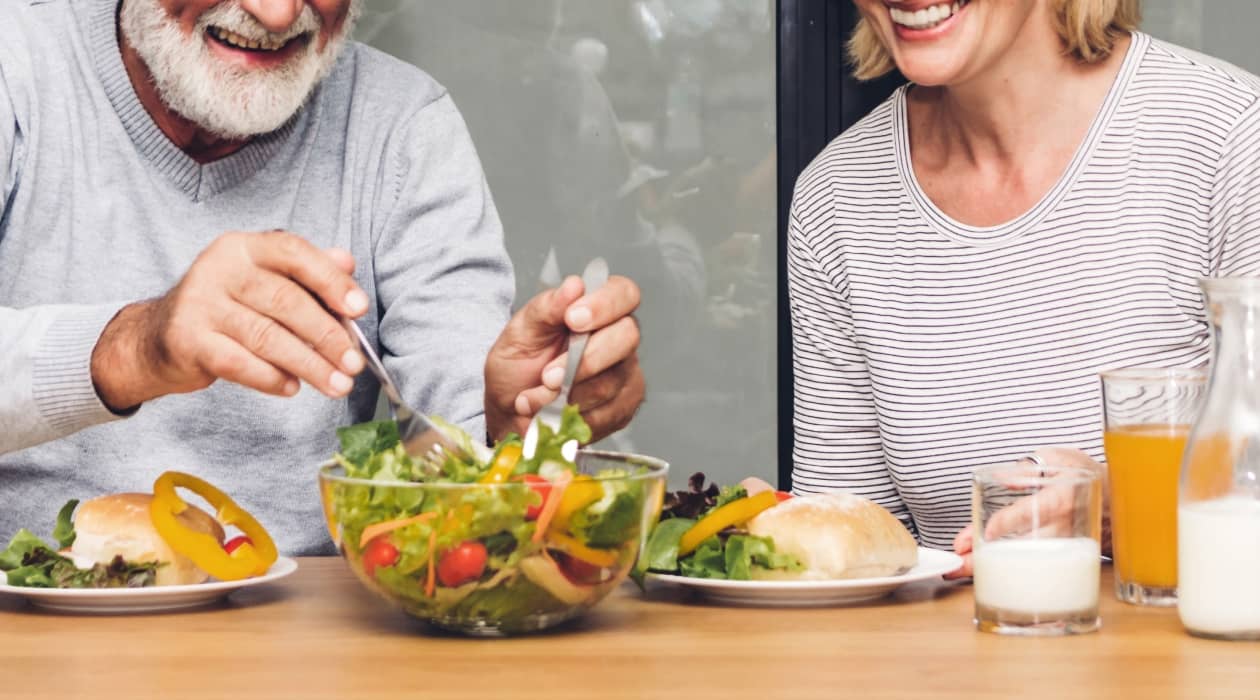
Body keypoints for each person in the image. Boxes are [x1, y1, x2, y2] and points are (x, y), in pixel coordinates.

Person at [0, 0, 645, 554]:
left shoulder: (404, 129)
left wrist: (510, 424)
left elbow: (458, 478)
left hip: (317, 650)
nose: (278, 14)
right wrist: (133, 346)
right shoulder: (17, 69)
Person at [787, 0, 1260, 576]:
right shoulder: (835, 196)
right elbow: (848, 547)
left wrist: (1124, 505)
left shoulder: (1232, 139)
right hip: (941, 664)